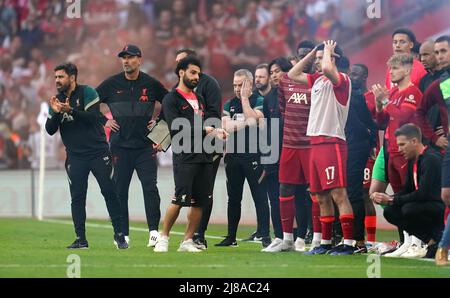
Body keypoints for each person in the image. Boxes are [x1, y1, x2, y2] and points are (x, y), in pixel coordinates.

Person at [45, 63, 128, 249]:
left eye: (61, 77)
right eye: (55, 77)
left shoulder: (88, 92)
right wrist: (57, 114)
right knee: (77, 197)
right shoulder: (56, 101)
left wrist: (71, 111)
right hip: (75, 157)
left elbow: (93, 118)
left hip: (98, 153)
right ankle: (81, 239)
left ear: (72, 77)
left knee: (109, 192)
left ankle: (119, 235)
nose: (57, 80)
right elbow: (50, 130)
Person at [96, 44, 168, 247]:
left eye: (130, 57)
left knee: (150, 189)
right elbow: (89, 103)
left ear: (140, 59)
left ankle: (154, 233)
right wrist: (104, 121)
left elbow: (170, 101)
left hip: (145, 147)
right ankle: (123, 234)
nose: (126, 61)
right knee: (120, 191)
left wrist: (160, 122)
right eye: (123, 58)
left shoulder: (151, 84)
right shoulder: (111, 84)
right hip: (119, 147)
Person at [288, 40, 356, 255]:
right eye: (317, 60)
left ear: (334, 58)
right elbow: (292, 74)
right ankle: (325, 243)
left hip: (331, 141)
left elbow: (327, 68)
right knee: (320, 196)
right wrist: (313, 54)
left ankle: (349, 243)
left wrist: (327, 51)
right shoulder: (317, 80)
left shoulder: (342, 80)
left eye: (321, 58)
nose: (318, 63)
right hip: (314, 143)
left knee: (339, 194)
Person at [154, 56, 227, 253]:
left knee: (200, 202)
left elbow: (205, 125)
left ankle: (187, 241)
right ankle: (163, 238)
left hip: (203, 155)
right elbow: (177, 128)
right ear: (181, 72)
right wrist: (205, 130)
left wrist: (217, 131)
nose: (196, 77)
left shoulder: (200, 99)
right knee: (179, 199)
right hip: (184, 156)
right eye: (193, 73)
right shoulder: (171, 99)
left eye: (198, 74)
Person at [264, 42, 316, 253]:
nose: (304, 59)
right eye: (300, 55)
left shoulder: (318, 82)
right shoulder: (286, 82)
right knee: (285, 187)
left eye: (308, 56)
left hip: (311, 145)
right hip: (290, 144)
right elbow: (284, 112)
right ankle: (287, 239)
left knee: (313, 192)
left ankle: (308, 237)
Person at [216, 69, 271, 248]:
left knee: (260, 196)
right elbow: (226, 126)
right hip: (233, 156)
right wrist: (248, 121)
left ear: (250, 84)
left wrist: (246, 101)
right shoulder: (229, 104)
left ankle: (264, 235)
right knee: (233, 198)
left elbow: (255, 120)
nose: (237, 89)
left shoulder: (260, 100)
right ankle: (231, 237)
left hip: (254, 156)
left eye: (241, 85)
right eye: (235, 85)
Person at [372, 124, 445, 258]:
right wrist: (390, 199)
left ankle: (435, 239)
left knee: (409, 209)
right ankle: (431, 242)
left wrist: (392, 199)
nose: (399, 149)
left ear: (414, 141)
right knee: (390, 211)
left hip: (440, 207)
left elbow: (424, 194)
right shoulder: (413, 161)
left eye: (402, 144)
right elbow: (407, 190)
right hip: (427, 205)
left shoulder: (431, 160)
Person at [174, 48, 222, 250]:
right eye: (177, 64)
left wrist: (200, 130)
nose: (178, 68)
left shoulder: (209, 84)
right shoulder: (178, 89)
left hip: (208, 144)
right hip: (186, 145)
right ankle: (189, 236)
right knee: (186, 191)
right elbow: (173, 118)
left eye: (181, 63)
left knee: (204, 192)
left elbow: (213, 113)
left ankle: (199, 235)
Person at [346, 62, 378, 252]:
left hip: (367, 150)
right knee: (354, 192)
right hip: (354, 147)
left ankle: (369, 238)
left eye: (356, 74)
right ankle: (355, 237)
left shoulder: (370, 97)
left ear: (365, 76)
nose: (352, 77)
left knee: (365, 194)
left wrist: (372, 142)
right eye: (351, 73)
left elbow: (375, 123)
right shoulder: (352, 95)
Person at [415, 36, 450, 152]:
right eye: (420, 56)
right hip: (433, 142)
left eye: (426, 54)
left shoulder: (444, 78)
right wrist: (432, 137)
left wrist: (445, 125)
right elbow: (420, 111)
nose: (422, 59)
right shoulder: (427, 81)